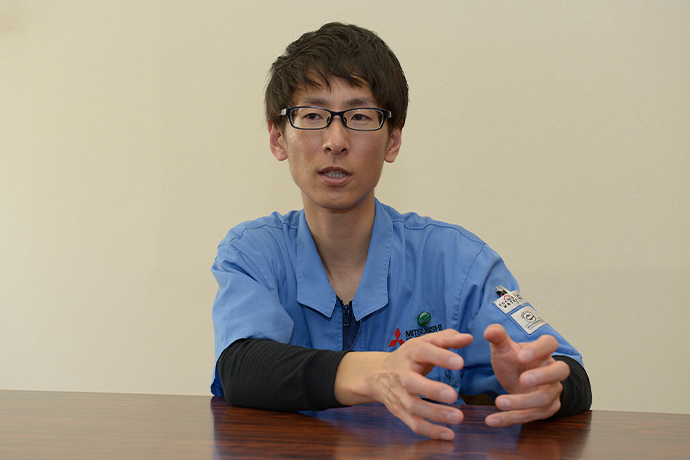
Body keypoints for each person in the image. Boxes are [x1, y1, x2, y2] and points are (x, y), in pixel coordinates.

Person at [211, 22, 591, 441]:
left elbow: (568, 373)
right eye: (313, 116)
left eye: (359, 117)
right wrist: (377, 372)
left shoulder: (457, 261)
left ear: (393, 140)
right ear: (277, 138)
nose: (335, 141)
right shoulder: (253, 252)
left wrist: (544, 386)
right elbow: (241, 368)